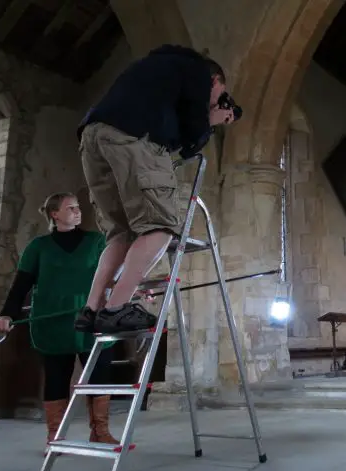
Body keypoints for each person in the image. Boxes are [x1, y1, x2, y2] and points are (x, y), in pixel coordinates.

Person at [73, 44, 239, 336]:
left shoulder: (158, 68)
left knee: (121, 233)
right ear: (215, 81)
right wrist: (210, 122)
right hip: (132, 138)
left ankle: (92, 309)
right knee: (160, 226)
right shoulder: (199, 72)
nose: (216, 100)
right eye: (219, 94)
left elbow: (168, 138)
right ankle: (116, 308)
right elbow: (188, 141)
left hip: (93, 137)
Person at [0, 192, 119, 452]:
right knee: (56, 379)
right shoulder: (37, 247)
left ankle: (101, 432)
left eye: (78, 208)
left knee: (100, 375)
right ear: (54, 214)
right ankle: (56, 436)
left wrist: (138, 289)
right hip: (53, 322)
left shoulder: (95, 241)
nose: (77, 211)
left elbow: (112, 276)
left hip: (92, 318)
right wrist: (7, 314)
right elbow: (21, 286)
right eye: (70, 208)